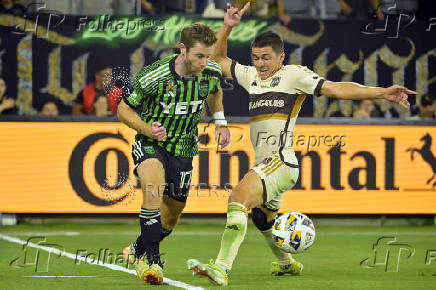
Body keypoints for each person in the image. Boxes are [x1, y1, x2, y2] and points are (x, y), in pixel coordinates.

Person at [187, 3, 416, 286]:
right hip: (267, 164)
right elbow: (218, 59)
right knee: (262, 219)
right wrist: (228, 26)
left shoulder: (294, 75)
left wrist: (382, 92)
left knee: (237, 199)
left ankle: (221, 268)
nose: (260, 64)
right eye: (256, 58)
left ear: (281, 57)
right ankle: (287, 263)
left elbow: (336, 88)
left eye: (266, 58)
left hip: (281, 162)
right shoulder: (251, 77)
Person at [118, 23, 231, 285]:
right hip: (151, 143)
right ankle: (154, 263)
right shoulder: (154, 75)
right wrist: (148, 129)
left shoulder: (211, 71)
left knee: (170, 218)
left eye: (208, 55)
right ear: (183, 49)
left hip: (184, 148)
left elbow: (215, 92)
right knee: (153, 190)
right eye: (199, 56)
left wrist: (221, 122)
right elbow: (124, 109)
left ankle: (136, 250)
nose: (205, 62)